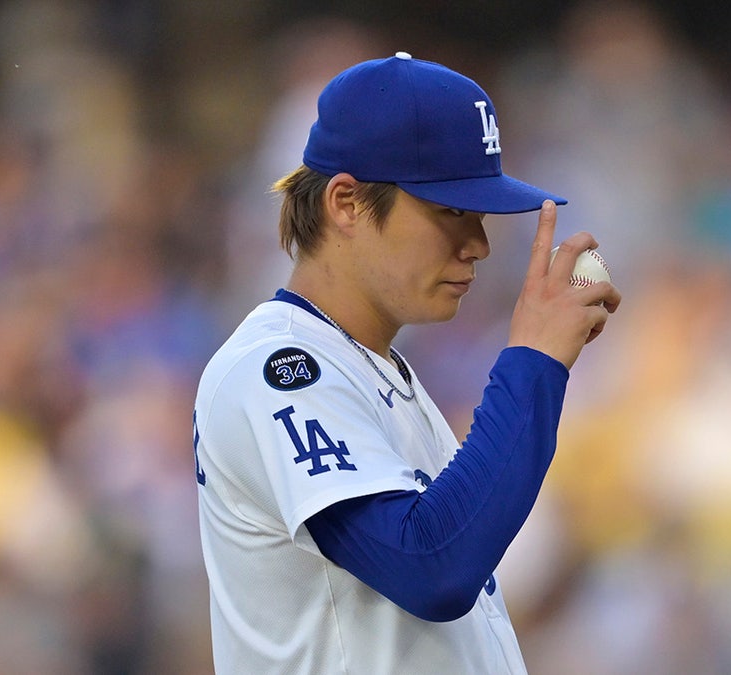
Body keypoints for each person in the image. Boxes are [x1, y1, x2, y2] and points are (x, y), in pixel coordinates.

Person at [193, 51, 621, 674]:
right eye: (450, 211)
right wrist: (531, 362)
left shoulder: (378, 371)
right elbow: (432, 567)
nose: (477, 244)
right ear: (346, 203)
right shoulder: (278, 370)